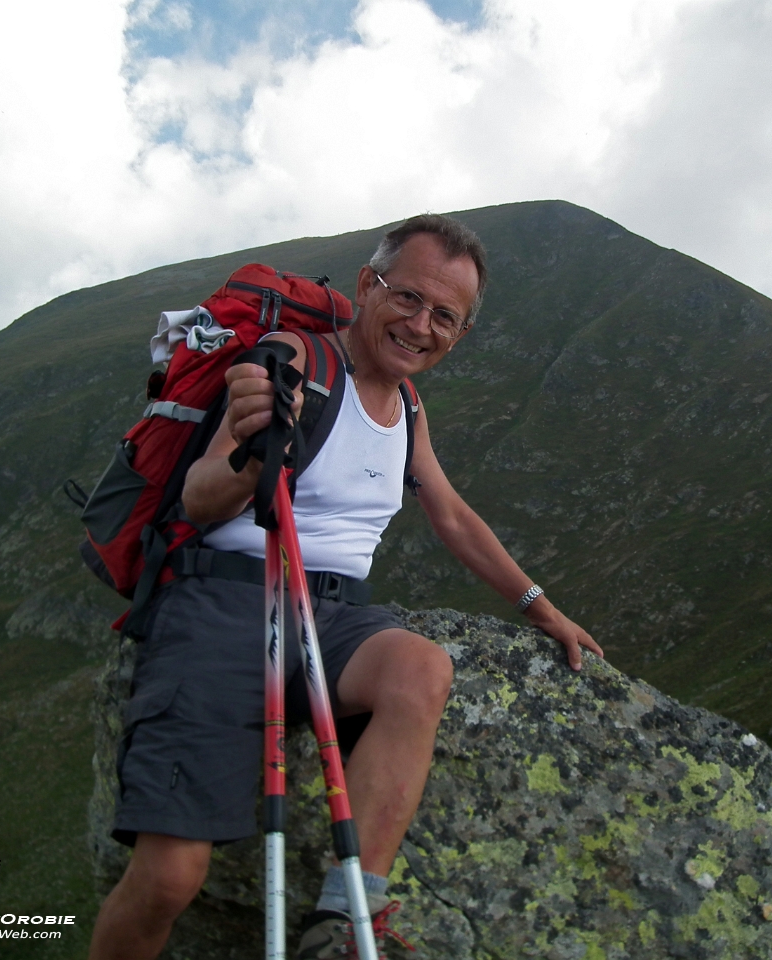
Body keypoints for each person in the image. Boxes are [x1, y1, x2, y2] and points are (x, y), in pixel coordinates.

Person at [88, 214, 601, 960]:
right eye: (408, 298)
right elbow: (199, 499)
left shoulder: (408, 409)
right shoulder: (296, 359)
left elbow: (452, 517)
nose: (420, 325)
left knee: (420, 667)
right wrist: (256, 457)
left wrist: (542, 609)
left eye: (444, 317)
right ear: (368, 286)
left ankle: (345, 915)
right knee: (170, 878)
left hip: (332, 614)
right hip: (225, 603)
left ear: (458, 334)